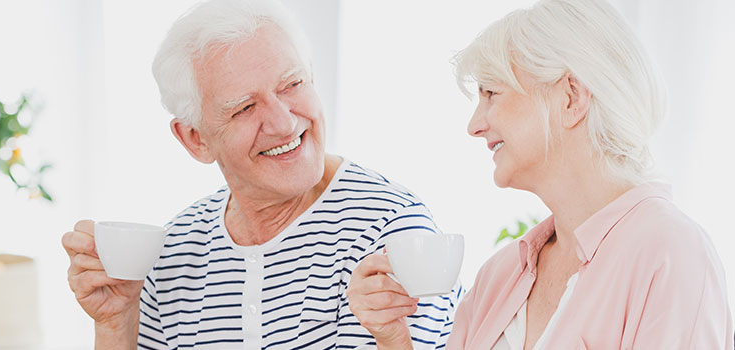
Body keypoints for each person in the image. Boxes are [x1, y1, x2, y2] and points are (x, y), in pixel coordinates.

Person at [61, 0, 462, 348]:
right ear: (195, 138)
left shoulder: (390, 232)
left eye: (292, 84)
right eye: (244, 108)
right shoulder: (174, 253)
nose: (284, 123)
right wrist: (116, 325)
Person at [347, 0, 734, 349]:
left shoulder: (671, 253)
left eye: (491, 94)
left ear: (570, 97)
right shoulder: (499, 277)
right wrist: (393, 338)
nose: (474, 125)